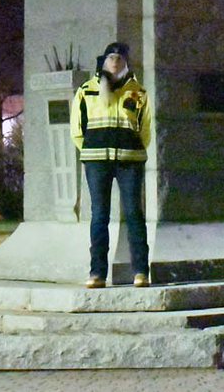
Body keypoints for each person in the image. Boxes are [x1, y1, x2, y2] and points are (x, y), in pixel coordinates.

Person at [71, 41, 152, 288]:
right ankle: (97, 273)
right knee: (99, 216)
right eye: (111, 57)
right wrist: (91, 150)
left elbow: (145, 129)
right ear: (103, 61)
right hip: (97, 162)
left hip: (129, 160)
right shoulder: (86, 90)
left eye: (119, 58)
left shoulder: (138, 92)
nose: (115, 61)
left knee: (134, 215)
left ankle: (141, 272)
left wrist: (134, 149)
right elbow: (77, 129)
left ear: (126, 63)